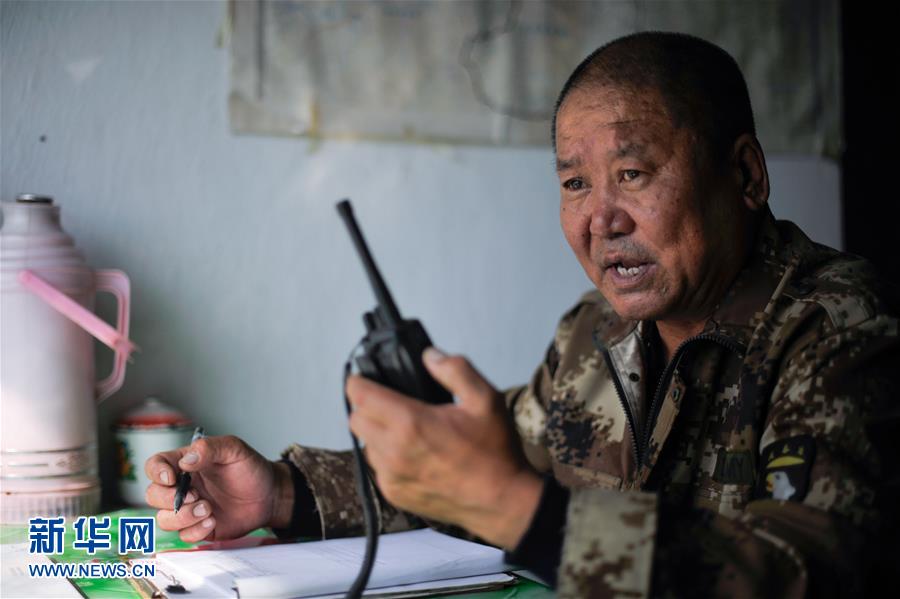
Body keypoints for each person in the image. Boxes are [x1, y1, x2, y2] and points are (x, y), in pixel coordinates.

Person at [144, 32, 899, 596]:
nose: (601, 219)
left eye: (632, 174)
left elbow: (814, 566)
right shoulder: (592, 334)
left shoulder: (837, 323)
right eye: (575, 183)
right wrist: (280, 491)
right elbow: (477, 472)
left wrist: (526, 514)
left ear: (745, 174)